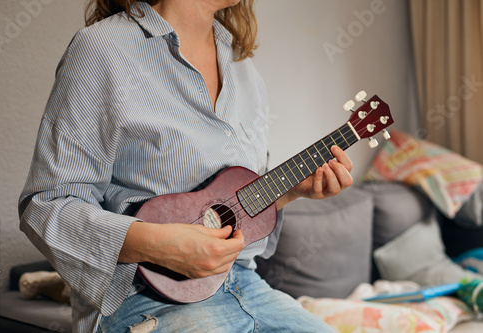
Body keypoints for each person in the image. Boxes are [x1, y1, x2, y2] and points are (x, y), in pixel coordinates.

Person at [18, 0, 353, 332]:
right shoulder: (101, 50)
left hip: (243, 286)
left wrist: (291, 192)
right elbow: (46, 206)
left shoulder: (244, 70)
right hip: (139, 300)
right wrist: (159, 245)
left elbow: (232, 208)